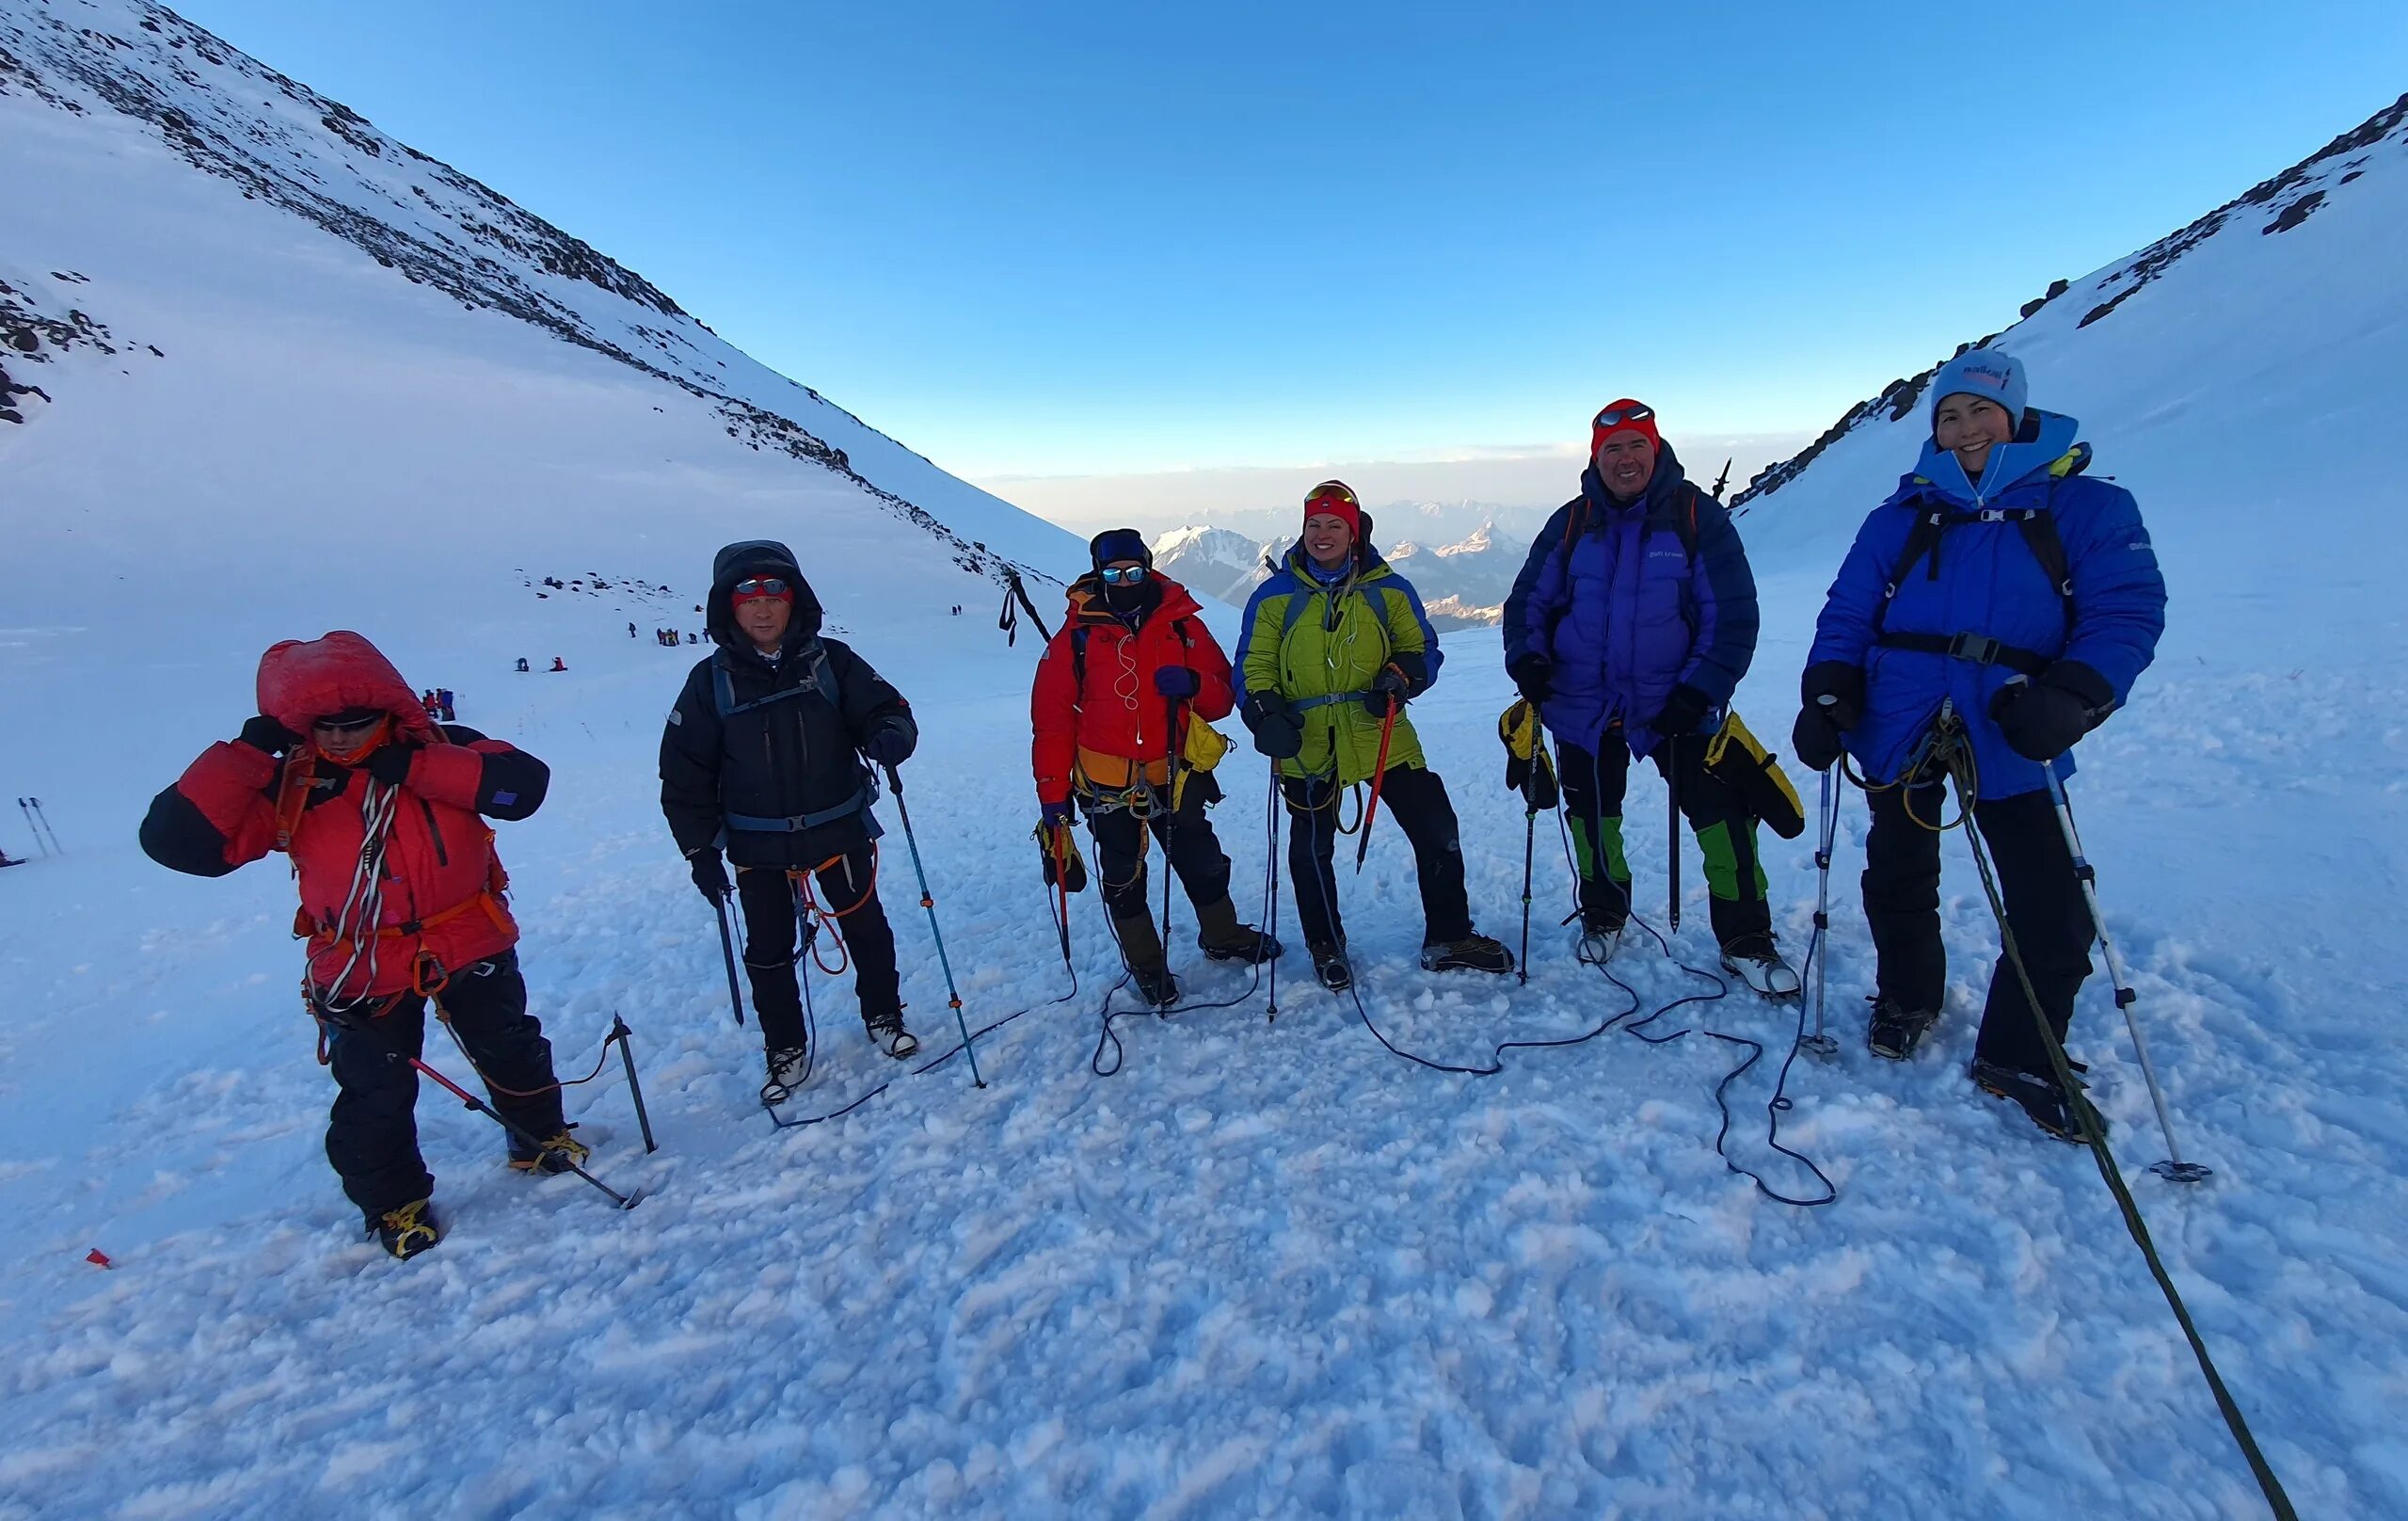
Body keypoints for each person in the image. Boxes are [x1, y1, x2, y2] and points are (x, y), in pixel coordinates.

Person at [1792, 349, 2164, 1140]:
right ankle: (1906, 996)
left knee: (2049, 895)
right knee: (1896, 867)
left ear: (2016, 416)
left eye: (1979, 412)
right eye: (1948, 416)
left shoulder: (2086, 508)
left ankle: (2020, 1052)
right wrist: (1828, 687)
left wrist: (2077, 695)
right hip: (1898, 712)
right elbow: (1849, 608)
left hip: (2015, 714)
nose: (1963, 429)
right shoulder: (1901, 514)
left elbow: (2127, 610)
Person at [138, 632, 582, 1261]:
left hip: (467, 933)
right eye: (326, 725)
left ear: (388, 712)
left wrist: (416, 768)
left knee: (511, 1047)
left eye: (356, 722)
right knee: (376, 1090)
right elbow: (176, 844)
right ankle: (393, 1204)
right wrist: (245, 754)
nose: (341, 737)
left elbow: (523, 789)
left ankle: (539, 1138)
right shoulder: (291, 780)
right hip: (359, 959)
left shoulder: (443, 746)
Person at [1503, 400, 1799, 997]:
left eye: (1636, 445)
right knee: (1591, 819)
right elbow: (1528, 602)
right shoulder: (1571, 523)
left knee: (1722, 820)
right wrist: (1528, 659)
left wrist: (1699, 692)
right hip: (1583, 702)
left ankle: (1745, 937)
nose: (1625, 458)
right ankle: (1605, 912)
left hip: (1678, 706)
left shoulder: (1696, 518)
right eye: (1612, 449)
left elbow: (1732, 617)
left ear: (1656, 449)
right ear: (1595, 458)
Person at [660, 540, 920, 1103]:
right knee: (769, 951)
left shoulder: (833, 662)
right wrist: (699, 851)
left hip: (839, 830)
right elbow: (684, 776)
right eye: (746, 593)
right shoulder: (709, 684)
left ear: (793, 597)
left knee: (867, 930)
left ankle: (885, 1015)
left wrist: (891, 733)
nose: (761, 605)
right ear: (726, 606)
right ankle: (785, 1046)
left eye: (773, 590)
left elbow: (887, 708)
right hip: (757, 846)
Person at [1236, 481, 1513, 991]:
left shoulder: (1388, 589)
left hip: (1381, 729)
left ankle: (1449, 938)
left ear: (1355, 530)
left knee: (1436, 829)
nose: (1322, 535)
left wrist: (1402, 676)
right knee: (1311, 851)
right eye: (1313, 525)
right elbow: (1253, 665)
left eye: (1334, 525)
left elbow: (1422, 648)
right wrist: (1263, 713)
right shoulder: (1275, 596)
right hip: (1306, 739)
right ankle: (1327, 946)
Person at [1031, 529, 1279, 1006]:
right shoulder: (1076, 637)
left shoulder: (1181, 624)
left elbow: (1224, 696)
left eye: (1134, 570)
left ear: (1148, 566)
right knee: (1123, 875)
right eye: (1113, 572)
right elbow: (1052, 723)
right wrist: (1052, 796)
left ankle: (1222, 935)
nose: (1125, 580)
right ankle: (1147, 965)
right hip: (1106, 784)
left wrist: (1192, 682)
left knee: (1201, 860)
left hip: (1177, 774)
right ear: (1097, 574)